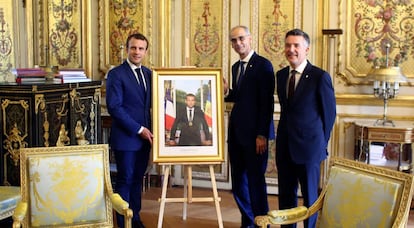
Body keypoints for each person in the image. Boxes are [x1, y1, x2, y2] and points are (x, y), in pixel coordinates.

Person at [275, 29, 336, 228]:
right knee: (285, 195)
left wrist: (320, 144)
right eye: (288, 45)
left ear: (306, 49)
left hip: (309, 149)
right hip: (285, 146)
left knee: (310, 198)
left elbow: (329, 115)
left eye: (296, 46)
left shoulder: (320, 77)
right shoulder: (281, 75)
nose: (291, 50)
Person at [223, 25, 275, 228]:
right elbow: (241, 97)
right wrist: (228, 91)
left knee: (255, 183)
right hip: (236, 135)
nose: (238, 43)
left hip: (256, 137)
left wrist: (261, 134)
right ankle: (249, 222)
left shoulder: (263, 65)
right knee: (238, 185)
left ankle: (262, 223)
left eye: (241, 38)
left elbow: (266, 103)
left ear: (250, 39)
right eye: (234, 40)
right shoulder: (237, 67)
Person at [106, 33, 153, 228]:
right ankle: (124, 221)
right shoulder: (116, 74)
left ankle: (136, 219)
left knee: (137, 180)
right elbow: (114, 107)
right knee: (125, 179)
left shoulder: (149, 74)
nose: (137, 52)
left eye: (141, 48)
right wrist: (139, 129)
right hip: (126, 138)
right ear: (127, 49)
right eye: (133, 48)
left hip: (144, 139)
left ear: (145, 51)